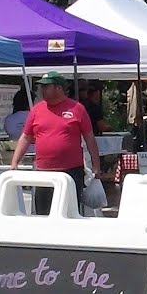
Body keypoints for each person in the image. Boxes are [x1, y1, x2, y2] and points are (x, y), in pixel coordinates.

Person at [7, 72, 100, 216]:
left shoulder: (77, 108)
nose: (42, 91)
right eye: (41, 87)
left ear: (58, 88)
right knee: (43, 212)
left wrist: (96, 166)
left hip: (71, 171)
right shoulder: (37, 110)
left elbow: (90, 139)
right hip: (43, 171)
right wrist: (14, 162)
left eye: (46, 87)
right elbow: (25, 137)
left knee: (69, 212)